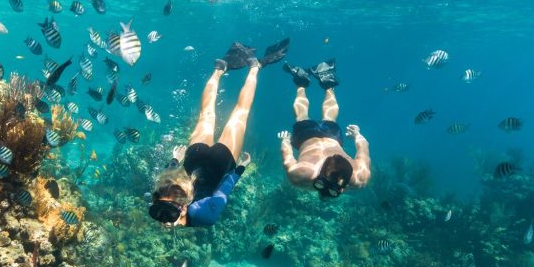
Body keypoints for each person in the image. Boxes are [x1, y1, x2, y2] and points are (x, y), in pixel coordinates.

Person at [148, 40, 289, 227]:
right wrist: (175, 161)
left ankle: (255, 68)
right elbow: (165, 179)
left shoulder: (204, 217)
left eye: (160, 214)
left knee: (240, 113)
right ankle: (219, 69)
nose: (164, 222)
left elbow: (224, 190)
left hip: (220, 163)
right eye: (163, 215)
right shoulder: (161, 194)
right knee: (206, 113)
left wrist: (240, 168)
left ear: (184, 206)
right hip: (194, 158)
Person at [279, 59, 371, 197]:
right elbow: (364, 148)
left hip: (331, 135)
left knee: (327, 118)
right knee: (302, 116)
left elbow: (363, 147)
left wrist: (286, 141)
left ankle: (320, 83)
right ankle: (302, 83)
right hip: (309, 137)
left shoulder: (361, 177)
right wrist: (357, 135)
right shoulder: (360, 178)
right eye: (322, 183)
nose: (326, 190)